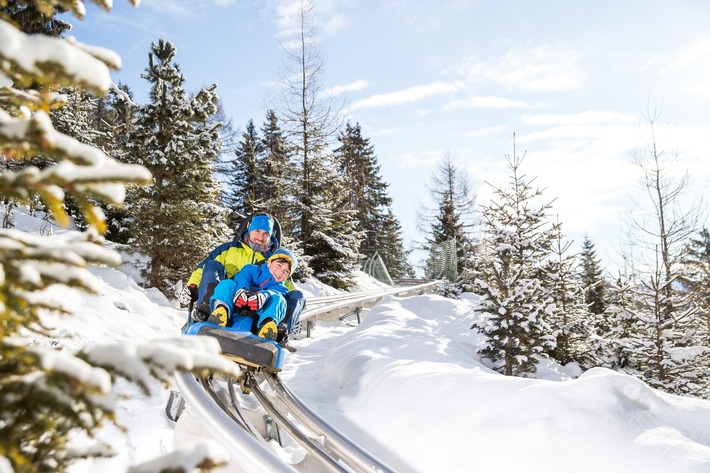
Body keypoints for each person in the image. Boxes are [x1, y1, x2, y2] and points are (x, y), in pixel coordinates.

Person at [178, 213, 304, 346]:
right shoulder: (229, 249)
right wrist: (192, 286)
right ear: (249, 230)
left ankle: (276, 329)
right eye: (257, 231)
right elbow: (204, 268)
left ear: (270, 236)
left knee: (297, 296)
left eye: (266, 234)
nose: (260, 237)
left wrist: (292, 314)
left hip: (258, 307)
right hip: (229, 297)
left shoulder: (276, 261)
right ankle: (207, 311)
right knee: (214, 266)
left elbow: (285, 290)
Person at [207, 248, 298, 341]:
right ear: (269, 263)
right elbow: (243, 277)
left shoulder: (282, 288)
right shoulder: (251, 269)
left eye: (286, 271)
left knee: (279, 300)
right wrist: (242, 290)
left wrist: (264, 296)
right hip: (236, 305)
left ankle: (267, 326)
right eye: (279, 265)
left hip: (257, 315)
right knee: (227, 283)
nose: (281, 272)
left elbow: (275, 293)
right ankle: (221, 310)